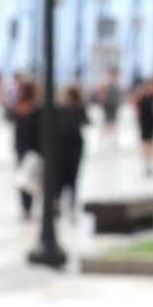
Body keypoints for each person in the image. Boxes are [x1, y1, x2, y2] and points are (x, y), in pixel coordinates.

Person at [10, 80, 42, 220]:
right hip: (29, 148)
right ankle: (27, 208)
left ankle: (27, 208)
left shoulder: (24, 109)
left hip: (25, 148)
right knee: (27, 179)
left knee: (26, 178)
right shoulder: (30, 109)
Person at [55, 86, 89, 216]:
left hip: (66, 147)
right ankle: (68, 203)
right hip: (71, 147)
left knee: (64, 177)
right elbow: (87, 121)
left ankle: (63, 202)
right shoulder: (77, 108)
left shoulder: (62, 109)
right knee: (70, 177)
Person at [133, 72, 153, 177]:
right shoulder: (141, 96)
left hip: (151, 122)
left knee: (151, 143)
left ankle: (150, 163)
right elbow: (135, 107)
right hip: (143, 122)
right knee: (145, 143)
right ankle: (146, 163)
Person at [96, 67, 122, 146]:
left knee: (113, 124)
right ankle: (103, 142)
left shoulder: (116, 84)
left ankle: (112, 142)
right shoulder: (106, 84)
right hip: (107, 106)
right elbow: (101, 95)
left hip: (114, 106)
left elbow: (118, 96)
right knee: (106, 124)